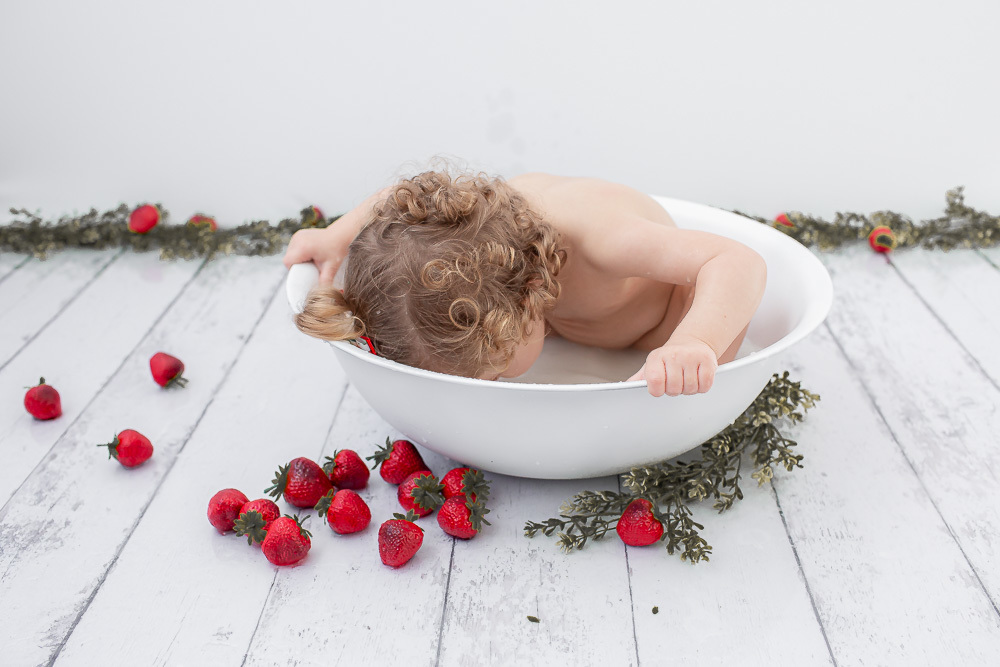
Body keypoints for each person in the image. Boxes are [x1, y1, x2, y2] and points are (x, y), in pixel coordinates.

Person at [283, 168, 766, 397]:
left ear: (531, 290)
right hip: (578, 320)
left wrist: (693, 342)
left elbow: (736, 260)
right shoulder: (471, 224)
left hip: (666, 321)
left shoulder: (603, 239)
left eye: (493, 373)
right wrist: (336, 235)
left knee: (699, 378)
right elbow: (399, 200)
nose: (490, 386)